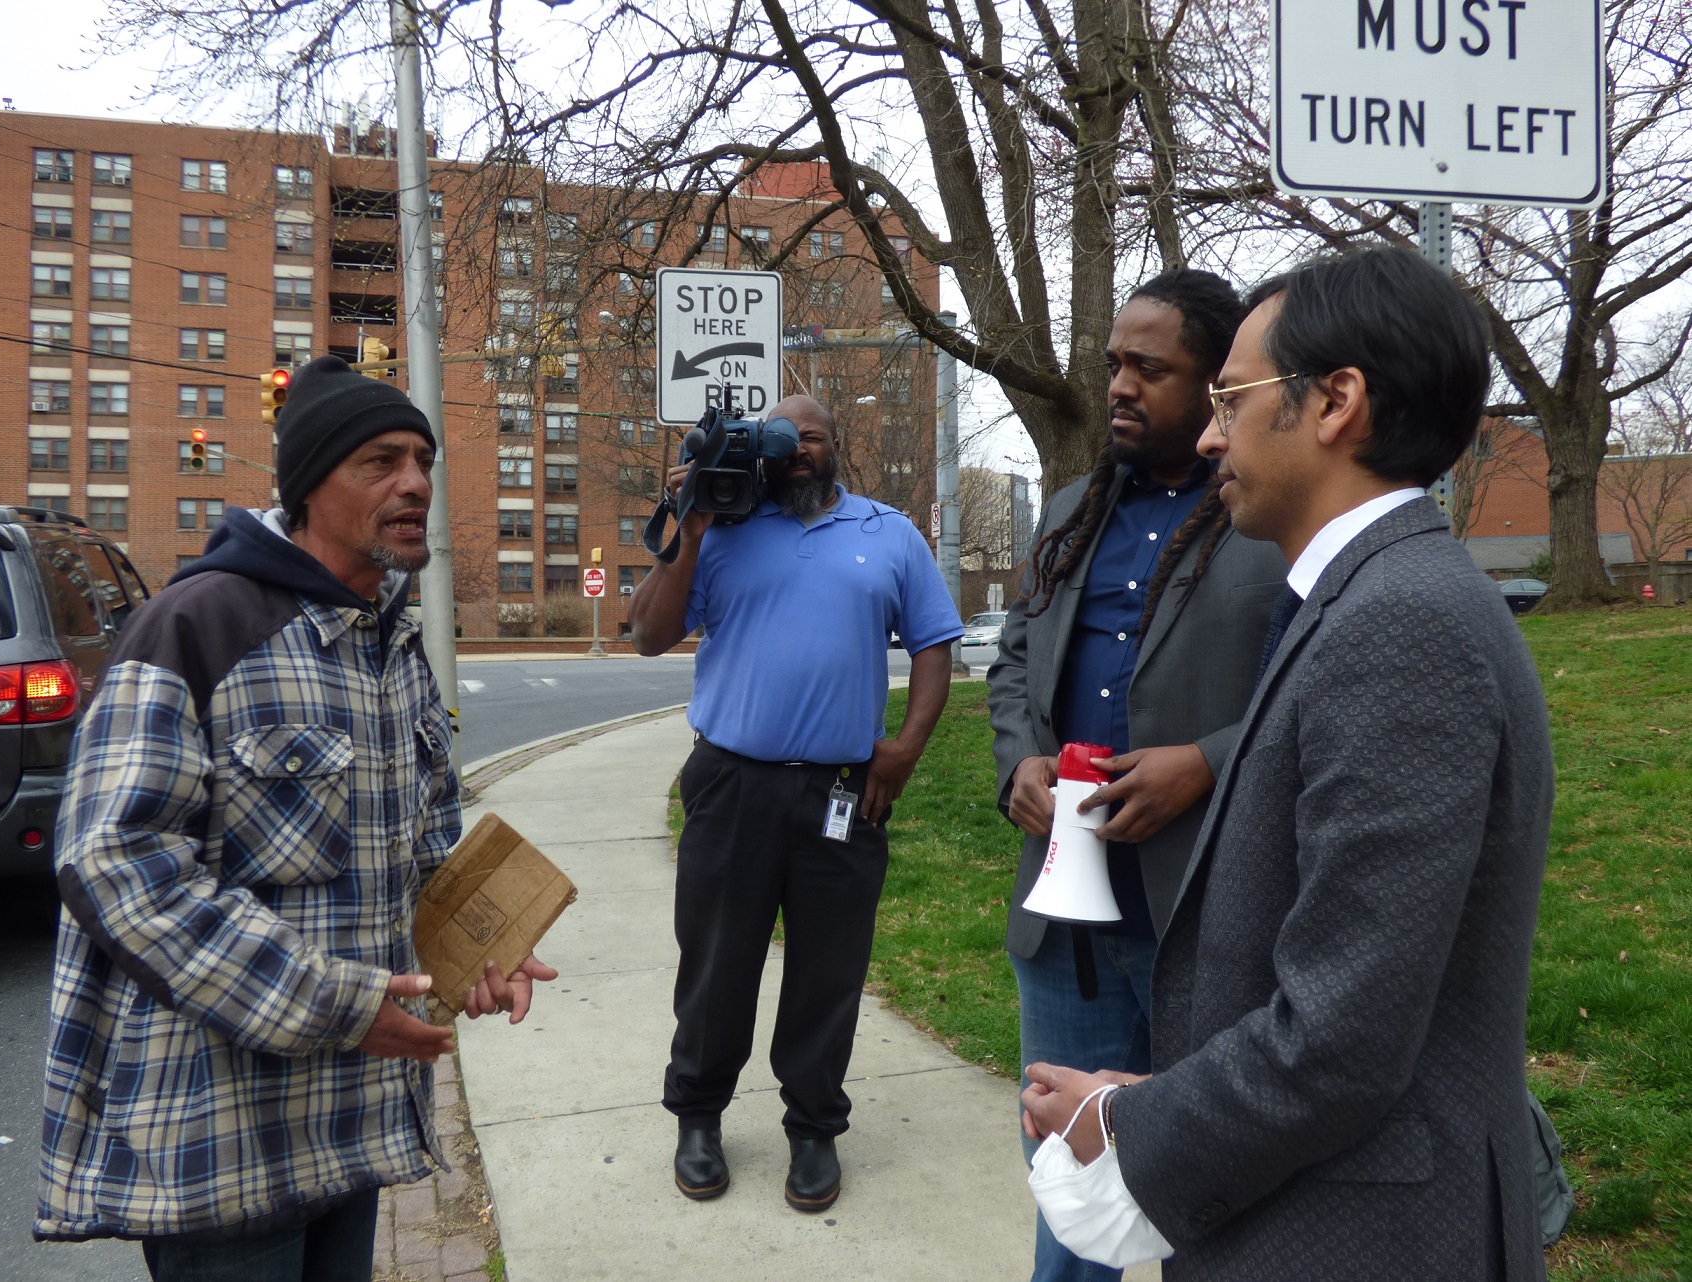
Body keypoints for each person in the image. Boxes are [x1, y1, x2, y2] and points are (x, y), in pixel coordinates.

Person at [1021, 247, 1554, 1281]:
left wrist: (1129, 1123)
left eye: (1230, 395)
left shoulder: (1401, 625)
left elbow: (1340, 1037)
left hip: (1361, 1233)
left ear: (1335, 402)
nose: (1211, 432)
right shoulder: (1366, 597)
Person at [37, 355, 556, 1281]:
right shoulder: (197, 626)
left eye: (423, 462)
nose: (415, 484)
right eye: (381, 461)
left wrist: (480, 949)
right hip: (224, 1143)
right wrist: (341, 1009)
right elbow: (113, 864)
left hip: (350, 1127)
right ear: (310, 484)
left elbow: (424, 847)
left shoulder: (392, 641)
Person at [988, 269, 1284, 1282]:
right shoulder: (1072, 509)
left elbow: (1313, 689)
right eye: (1114, 363)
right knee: (1071, 1183)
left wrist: (1205, 763)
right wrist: (1016, 766)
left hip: (1203, 915)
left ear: (1214, 389)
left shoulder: (1265, 512)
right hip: (1065, 923)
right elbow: (1015, 663)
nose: (1118, 385)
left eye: (1147, 369)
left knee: (1206, 1185)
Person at [630, 394, 963, 1213]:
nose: (798, 451)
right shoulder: (722, 531)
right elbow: (646, 634)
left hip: (841, 791)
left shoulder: (889, 533)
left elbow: (933, 644)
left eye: (811, 437)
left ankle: (814, 1128)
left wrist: (908, 746)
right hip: (731, 782)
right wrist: (692, 525)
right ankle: (698, 1118)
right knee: (715, 962)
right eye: (783, 440)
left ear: (836, 446)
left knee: (829, 968)